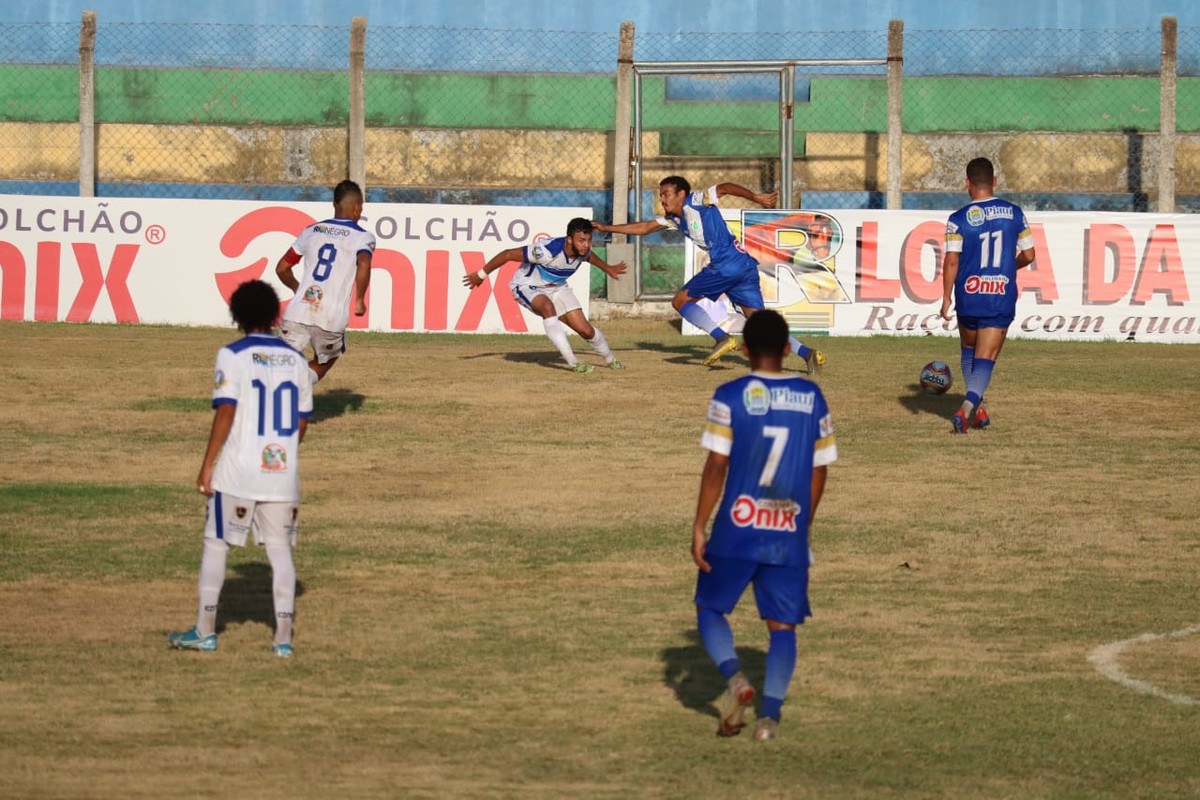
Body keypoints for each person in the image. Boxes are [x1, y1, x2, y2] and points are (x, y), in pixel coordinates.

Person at [690, 309, 837, 741]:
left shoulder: (730, 394)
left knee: (711, 608)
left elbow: (717, 463)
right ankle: (768, 721)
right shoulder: (812, 398)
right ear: (789, 348)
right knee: (783, 627)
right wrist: (802, 523)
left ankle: (736, 680)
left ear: (747, 349)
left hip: (737, 526)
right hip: (786, 530)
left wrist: (700, 524)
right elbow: (820, 468)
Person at [168, 279, 314, 658]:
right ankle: (283, 639)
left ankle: (205, 630)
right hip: (283, 472)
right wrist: (283, 454)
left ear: (237, 314)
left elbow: (227, 410)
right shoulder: (297, 360)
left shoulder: (232, 355)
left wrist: (207, 464)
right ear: (273, 314)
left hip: (237, 470)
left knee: (216, 544)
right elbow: (301, 422)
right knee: (281, 551)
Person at [593, 176, 825, 372]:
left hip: (727, 264)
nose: (662, 199)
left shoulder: (696, 201)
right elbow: (644, 228)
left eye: (666, 194)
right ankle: (808, 354)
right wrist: (606, 228)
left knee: (680, 301)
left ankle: (722, 338)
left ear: (681, 193)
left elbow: (724, 187)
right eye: (661, 194)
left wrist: (756, 198)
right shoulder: (675, 219)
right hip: (743, 266)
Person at [940, 157, 1035, 434]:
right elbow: (1029, 255)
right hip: (999, 294)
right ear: (994, 182)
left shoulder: (957, 220)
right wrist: (1009, 266)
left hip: (968, 295)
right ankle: (966, 408)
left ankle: (978, 410)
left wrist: (946, 297)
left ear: (967, 184)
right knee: (986, 358)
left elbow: (952, 261)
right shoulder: (1015, 213)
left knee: (969, 352)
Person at [463, 217, 627, 373]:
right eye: (581, 241)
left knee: (585, 330)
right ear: (569, 240)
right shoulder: (546, 251)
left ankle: (610, 359)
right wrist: (481, 274)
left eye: (589, 240)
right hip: (528, 286)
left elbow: (589, 256)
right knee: (547, 308)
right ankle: (574, 362)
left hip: (557, 288)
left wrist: (608, 268)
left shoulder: (583, 250)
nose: (586, 245)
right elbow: (507, 254)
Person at [275, 179, 376, 385]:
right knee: (325, 361)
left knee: (280, 364)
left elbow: (282, 268)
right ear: (357, 208)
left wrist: (299, 289)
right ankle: (299, 386)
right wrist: (359, 298)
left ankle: (275, 396)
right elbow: (364, 264)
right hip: (330, 317)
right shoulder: (362, 237)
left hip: (298, 311)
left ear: (334, 205)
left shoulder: (311, 230)